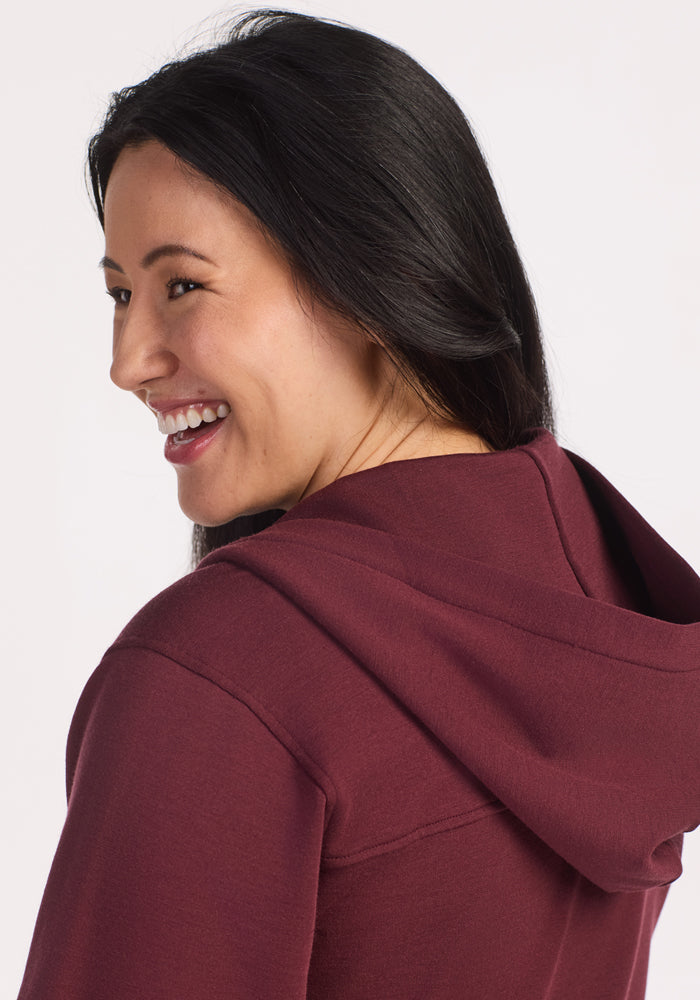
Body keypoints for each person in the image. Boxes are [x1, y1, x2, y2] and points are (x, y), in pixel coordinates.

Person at [17, 9, 700, 999]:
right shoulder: (599, 589)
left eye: (183, 287)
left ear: (372, 279)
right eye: (121, 293)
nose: (128, 363)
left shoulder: (222, 671)